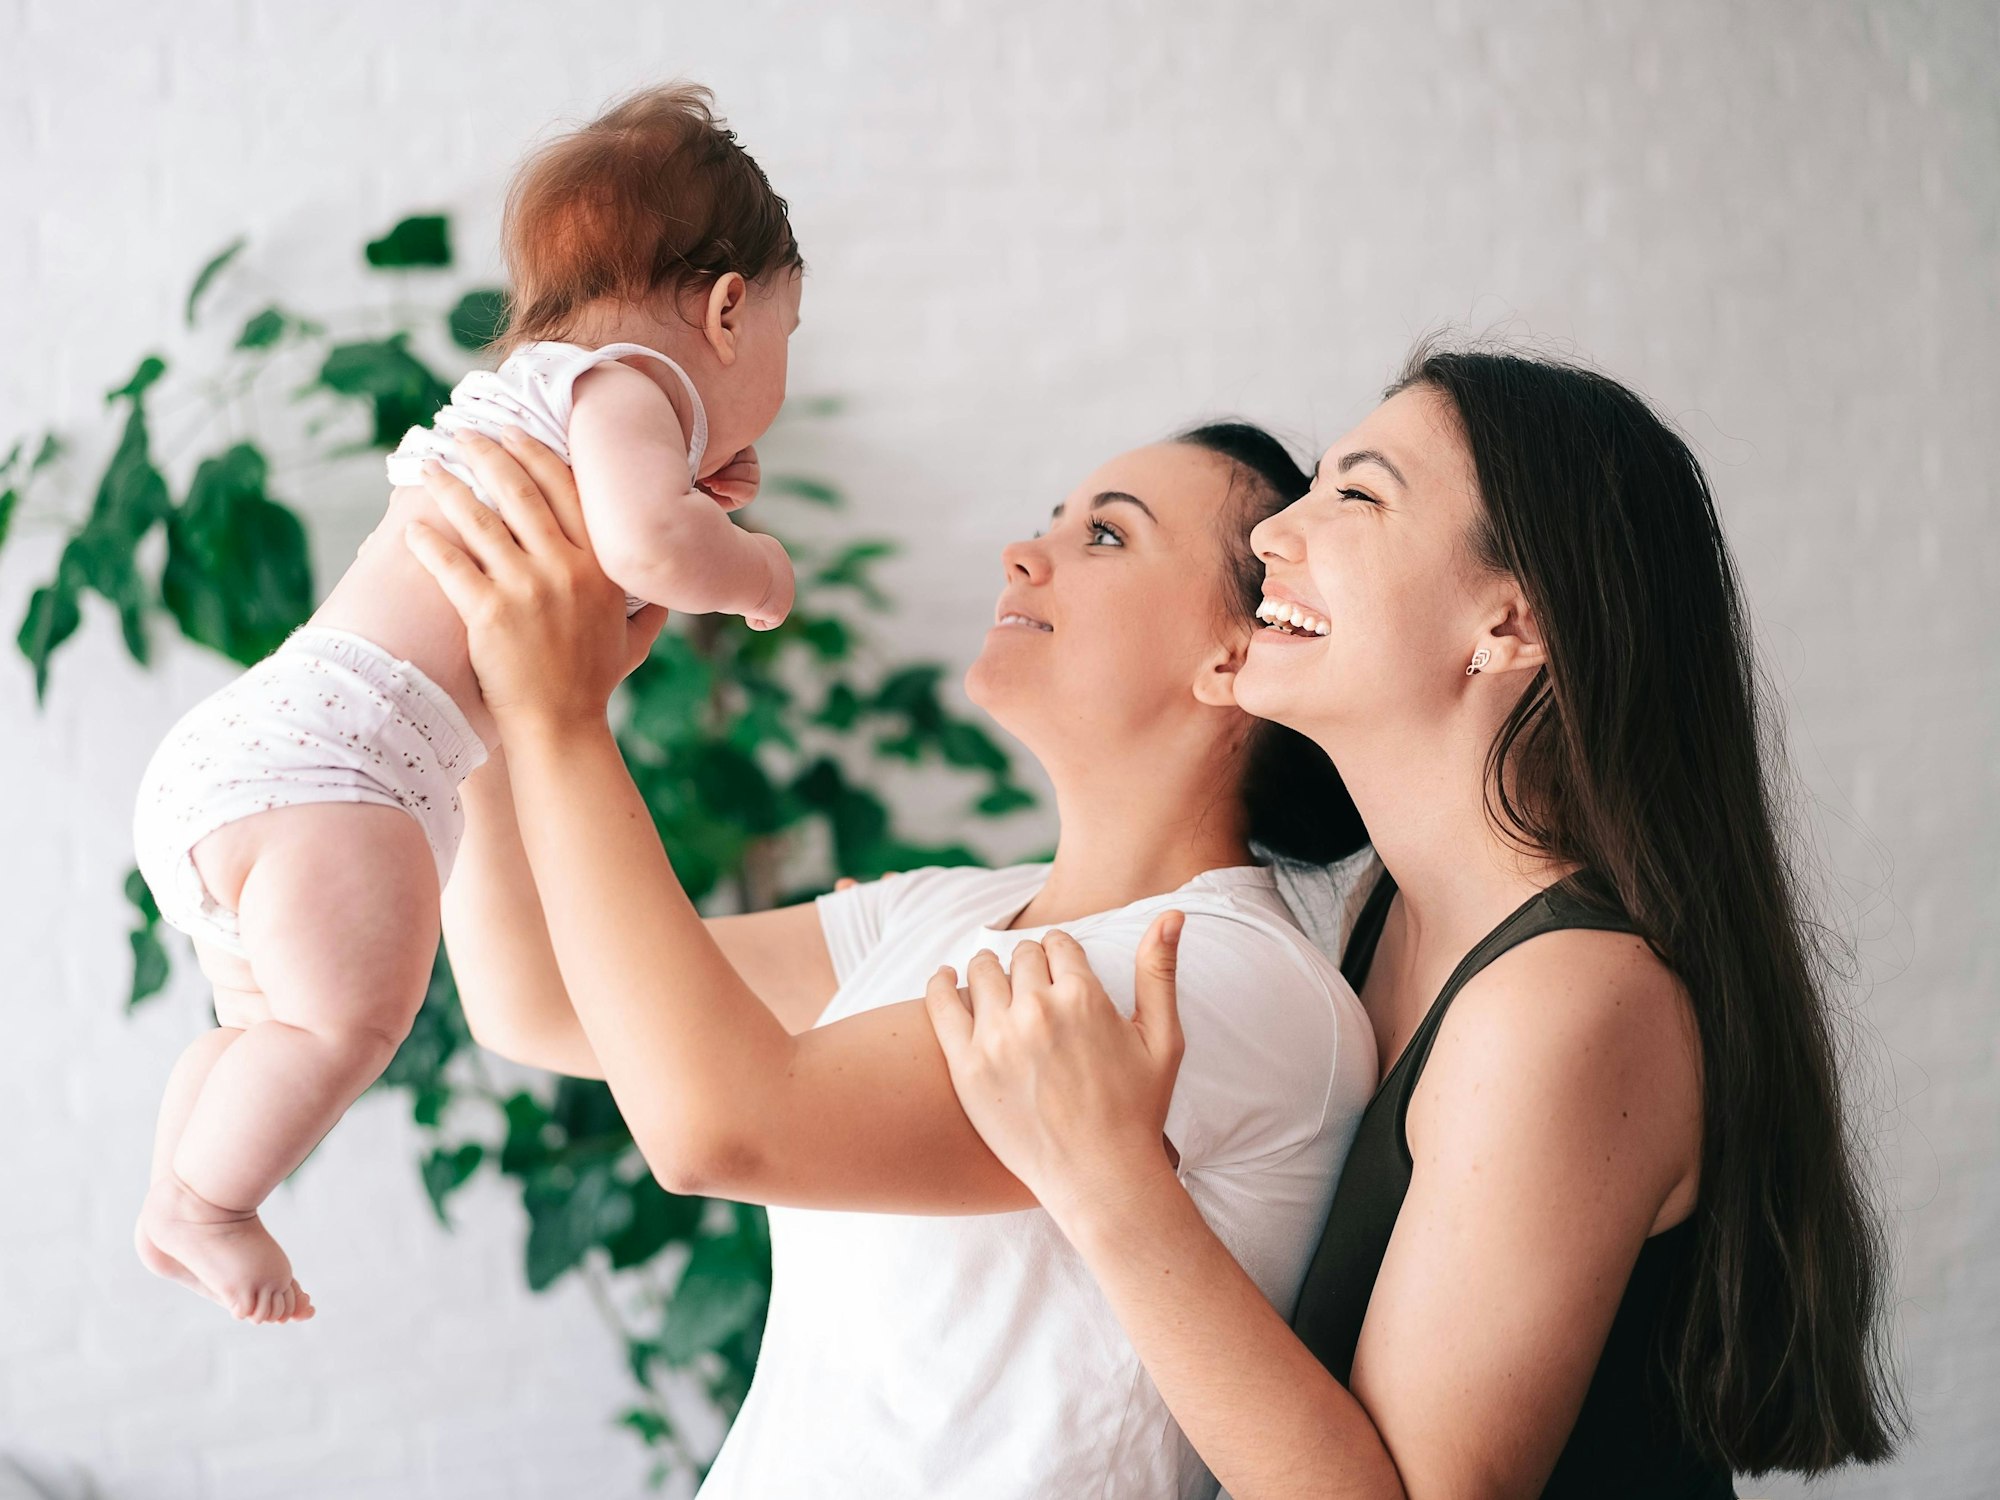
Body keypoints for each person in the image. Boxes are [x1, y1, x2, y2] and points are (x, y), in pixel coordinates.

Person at [923, 343, 1907, 1497]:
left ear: (1509, 627)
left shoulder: (1567, 1001)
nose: (1275, 534)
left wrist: (1109, 1184)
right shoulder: (1373, 922)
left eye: (1354, 495)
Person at [404, 420, 1377, 1497]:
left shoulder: (1217, 977)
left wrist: (561, 715)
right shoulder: (953, 909)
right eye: (1051, 518)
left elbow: (719, 1129)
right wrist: (481, 700)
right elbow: (536, 997)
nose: (1024, 552)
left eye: (1105, 535)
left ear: (1233, 654)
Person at [129, 83, 801, 1324]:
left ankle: (183, 1172)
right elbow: (650, 552)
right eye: (784, 341)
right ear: (727, 309)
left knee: (263, 1031)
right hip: (336, 780)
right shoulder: (624, 387)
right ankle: (204, 1206)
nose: (777, 378)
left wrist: (692, 488)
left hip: (248, 755)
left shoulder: (543, 390)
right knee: (349, 1027)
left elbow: (618, 522)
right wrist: (753, 568)